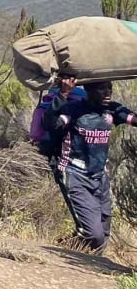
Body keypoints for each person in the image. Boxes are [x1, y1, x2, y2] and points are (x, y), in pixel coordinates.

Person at [47, 80, 136, 253]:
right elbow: (52, 124)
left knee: (104, 232)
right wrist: (63, 94)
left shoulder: (112, 110)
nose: (107, 93)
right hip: (75, 175)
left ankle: (81, 256)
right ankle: (63, 248)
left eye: (109, 88)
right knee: (94, 235)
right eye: (102, 89)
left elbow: (133, 118)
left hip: (100, 177)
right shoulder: (74, 110)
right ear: (88, 90)